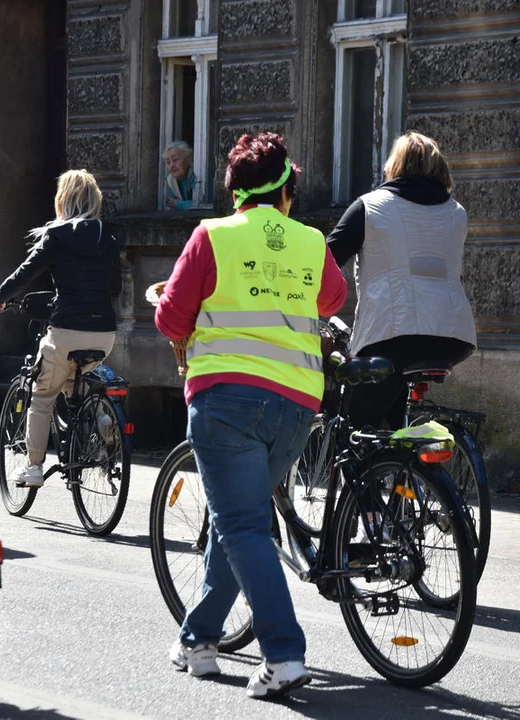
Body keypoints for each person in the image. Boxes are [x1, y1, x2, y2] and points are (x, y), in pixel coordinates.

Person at [156, 132, 347, 697]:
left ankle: (284, 654)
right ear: (286, 189)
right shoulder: (311, 241)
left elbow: (170, 322)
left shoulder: (212, 235)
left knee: (240, 524)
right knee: (235, 520)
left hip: (226, 404)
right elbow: (332, 301)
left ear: (235, 192)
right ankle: (199, 638)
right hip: (294, 408)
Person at [327, 131, 477, 430]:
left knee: (356, 429)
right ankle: (400, 470)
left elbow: (325, 261)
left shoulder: (369, 207)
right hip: (451, 337)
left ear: (394, 167)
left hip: (391, 335)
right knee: (390, 415)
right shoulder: (456, 213)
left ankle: (369, 469)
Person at [0, 169, 121, 488]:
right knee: (78, 380)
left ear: (64, 199)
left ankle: (33, 467)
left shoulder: (56, 236)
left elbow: (24, 275)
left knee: (42, 393)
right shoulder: (107, 237)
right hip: (105, 335)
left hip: (65, 331)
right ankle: (102, 418)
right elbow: (113, 286)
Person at [164, 141, 196, 210]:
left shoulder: (198, 176)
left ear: (188, 159)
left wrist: (179, 204)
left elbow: (200, 206)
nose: (171, 166)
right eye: (168, 162)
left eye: (175, 160)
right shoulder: (171, 181)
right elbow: (171, 205)